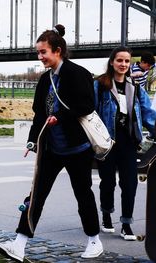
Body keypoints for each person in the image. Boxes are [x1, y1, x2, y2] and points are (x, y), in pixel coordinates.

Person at [0, 24, 103, 261]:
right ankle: (19, 244)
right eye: (38, 53)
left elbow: (86, 106)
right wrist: (32, 140)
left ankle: (94, 240)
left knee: (82, 194)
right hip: (51, 148)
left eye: (43, 52)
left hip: (77, 149)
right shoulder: (45, 80)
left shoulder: (78, 73)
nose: (40, 57)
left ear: (58, 50)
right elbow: (38, 114)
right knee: (36, 195)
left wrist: (60, 116)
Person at [94, 46, 156, 240]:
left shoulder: (135, 88)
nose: (123, 64)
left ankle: (126, 224)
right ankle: (106, 214)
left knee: (129, 184)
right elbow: (91, 114)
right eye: (119, 60)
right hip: (107, 143)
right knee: (108, 182)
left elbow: (147, 113)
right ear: (112, 62)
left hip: (128, 143)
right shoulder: (100, 85)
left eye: (127, 61)